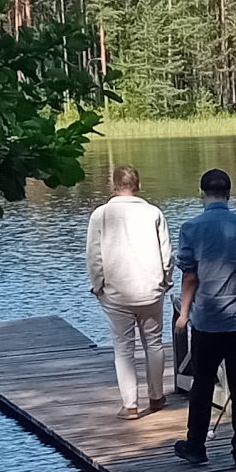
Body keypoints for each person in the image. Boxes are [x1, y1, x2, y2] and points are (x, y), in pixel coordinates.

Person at [173, 167, 236, 470]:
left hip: (206, 321)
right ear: (229, 194)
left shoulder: (191, 229)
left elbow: (190, 277)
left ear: (201, 194)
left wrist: (185, 313)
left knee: (201, 385)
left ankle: (196, 446)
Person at [84, 164, 171, 419]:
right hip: (150, 290)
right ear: (138, 185)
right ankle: (156, 397)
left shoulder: (100, 215)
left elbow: (94, 256)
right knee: (154, 343)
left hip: (116, 292)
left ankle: (131, 405)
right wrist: (165, 281)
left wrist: (98, 285)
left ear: (113, 185)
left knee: (123, 348)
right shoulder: (154, 213)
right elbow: (167, 254)